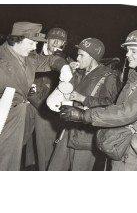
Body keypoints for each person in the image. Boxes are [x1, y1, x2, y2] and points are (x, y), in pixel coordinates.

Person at [59, 29, 137, 171]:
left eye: (133, 51)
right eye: (127, 50)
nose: (127, 54)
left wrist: (84, 115)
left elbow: (127, 113)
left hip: (135, 151)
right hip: (121, 143)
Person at [0, 22, 73, 171]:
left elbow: (50, 60)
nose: (35, 47)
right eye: (31, 42)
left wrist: (63, 66)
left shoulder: (27, 58)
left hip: (18, 116)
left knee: (11, 160)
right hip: (4, 115)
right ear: (17, 39)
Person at [48, 38, 122, 171]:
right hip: (68, 129)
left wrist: (83, 99)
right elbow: (66, 91)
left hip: (87, 136)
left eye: (81, 55)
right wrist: (71, 75)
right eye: (78, 54)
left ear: (93, 57)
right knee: (55, 168)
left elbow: (110, 106)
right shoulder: (80, 72)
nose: (77, 58)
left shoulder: (109, 76)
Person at [27, 28, 69, 170]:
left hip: (45, 110)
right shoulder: (32, 55)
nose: (56, 42)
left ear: (64, 43)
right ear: (47, 41)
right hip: (27, 107)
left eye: (60, 40)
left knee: (45, 149)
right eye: (53, 39)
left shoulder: (66, 62)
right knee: (25, 149)